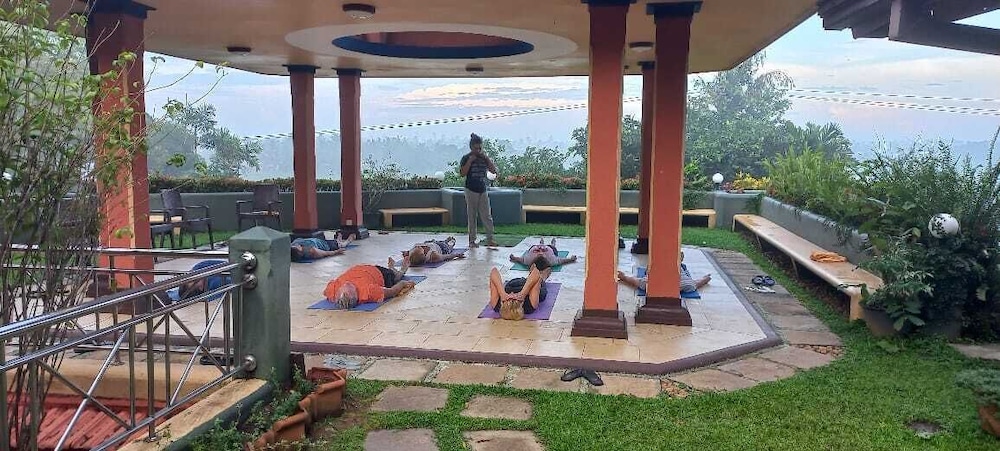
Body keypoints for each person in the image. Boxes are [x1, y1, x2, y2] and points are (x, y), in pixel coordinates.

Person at [323, 257, 415, 309]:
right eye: (349, 290)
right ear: (355, 295)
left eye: (343, 288)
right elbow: (392, 291)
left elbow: (328, 292)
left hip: (363, 268)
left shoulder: (332, 290)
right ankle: (401, 271)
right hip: (380, 273)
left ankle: (392, 268)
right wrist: (403, 283)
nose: (346, 284)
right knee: (395, 277)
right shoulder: (369, 292)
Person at [459, 133, 498, 248]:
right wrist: (470, 161)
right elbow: (462, 173)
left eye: (480, 148)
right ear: (471, 147)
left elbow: (493, 171)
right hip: (471, 190)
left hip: (482, 189)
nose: (478, 150)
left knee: (487, 216)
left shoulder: (483, 158)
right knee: (472, 216)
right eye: (476, 148)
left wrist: (487, 158)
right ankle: (472, 240)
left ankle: (490, 239)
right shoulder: (466, 158)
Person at [616, 252, 711, 294]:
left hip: (659, 275)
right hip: (673, 275)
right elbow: (697, 283)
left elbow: (634, 281)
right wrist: (705, 279)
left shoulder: (649, 283)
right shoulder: (685, 283)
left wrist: (624, 277)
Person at [488, 259, 552, 320]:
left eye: (509, 298)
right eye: (513, 299)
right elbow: (536, 272)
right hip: (529, 288)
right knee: (541, 283)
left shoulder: (497, 305)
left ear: (503, 303)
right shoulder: (529, 306)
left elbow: (494, 271)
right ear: (521, 303)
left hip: (513, 285)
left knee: (526, 281)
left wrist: (502, 293)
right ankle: (543, 275)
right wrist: (523, 294)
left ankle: (530, 277)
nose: (512, 294)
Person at [509, 237, 578, 267]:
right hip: (551, 249)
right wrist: (571, 259)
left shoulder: (528, 260)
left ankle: (541, 243)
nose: (541, 249)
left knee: (538, 246)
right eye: (543, 251)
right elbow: (562, 261)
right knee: (552, 246)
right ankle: (553, 244)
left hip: (534, 248)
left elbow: (520, 260)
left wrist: (514, 258)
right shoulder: (552, 260)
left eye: (537, 251)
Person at [291, 233, 355, 262]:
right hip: (326, 245)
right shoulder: (311, 251)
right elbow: (325, 253)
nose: (296, 245)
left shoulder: (293, 245)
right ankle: (346, 242)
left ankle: (338, 240)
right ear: (300, 251)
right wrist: (336, 252)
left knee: (334, 241)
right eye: (296, 247)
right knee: (339, 245)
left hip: (317, 240)